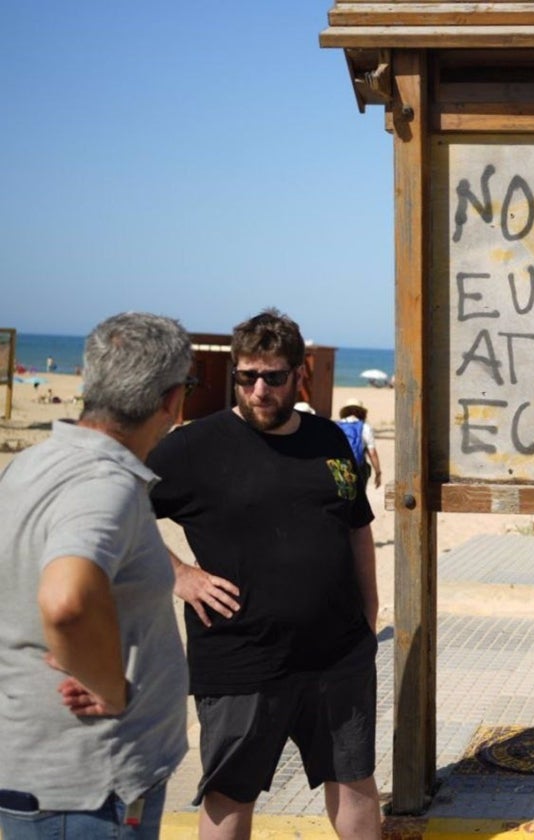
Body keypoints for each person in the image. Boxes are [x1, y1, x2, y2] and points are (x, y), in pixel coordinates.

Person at [147, 309, 381, 840]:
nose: (258, 390)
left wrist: (369, 615)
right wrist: (178, 573)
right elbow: (116, 507)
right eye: (246, 376)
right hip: (240, 658)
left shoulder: (331, 442)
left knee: (354, 781)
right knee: (230, 795)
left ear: (299, 375)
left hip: (338, 655)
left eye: (272, 377)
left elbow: (357, 528)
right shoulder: (192, 447)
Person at [0, 313, 193, 837]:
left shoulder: (32, 464)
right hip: (90, 790)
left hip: (50, 775)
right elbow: (67, 600)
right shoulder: (105, 484)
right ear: (173, 402)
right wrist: (108, 686)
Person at [337, 397, 382, 489]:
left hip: (340, 466)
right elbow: (372, 453)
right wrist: (378, 472)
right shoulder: (365, 427)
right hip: (358, 467)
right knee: (359, 497)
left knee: (342, 496)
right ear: (362, 412)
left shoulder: (337, 425)